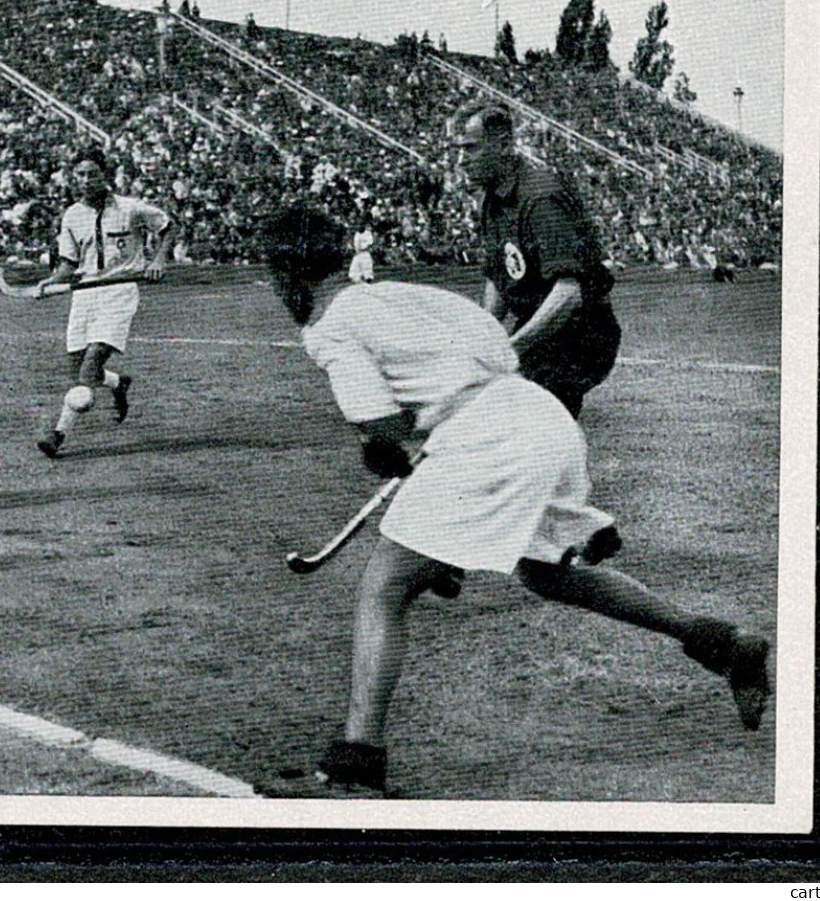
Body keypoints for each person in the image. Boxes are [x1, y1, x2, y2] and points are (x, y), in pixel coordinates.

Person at [252, 205, 770, 799]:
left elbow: (383, 423)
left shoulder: (330, 328)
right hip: (537, 416)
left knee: (387, 586)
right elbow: (498, 353)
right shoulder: (413, 295)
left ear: (285, 275)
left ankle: (355, 767)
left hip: (492, 439)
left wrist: (382, 449)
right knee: (547, 574)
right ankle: (722, 643)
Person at [452, 105, 621, 418]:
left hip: (580, 332)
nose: (462, 160)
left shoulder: (541, 197)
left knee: (527, 420)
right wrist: (485, 336)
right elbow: (500, 277)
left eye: (471, 148)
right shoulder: (492, 198)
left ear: (503, 145)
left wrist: (511, 348)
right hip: (543, 327)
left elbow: (569, 292)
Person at [33, 146, 174, 459]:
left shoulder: (130, 208)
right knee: (79, 373)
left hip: (119, 291)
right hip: (84, 293)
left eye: (92, 174)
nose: (85, 180)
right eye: (80, 175)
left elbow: (167, 226)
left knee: (90, 367)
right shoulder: (72, 215)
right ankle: (118, 383)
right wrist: (50, 282)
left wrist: (159, 261)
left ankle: (58, 433)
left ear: (105, 175)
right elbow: (69, 265)